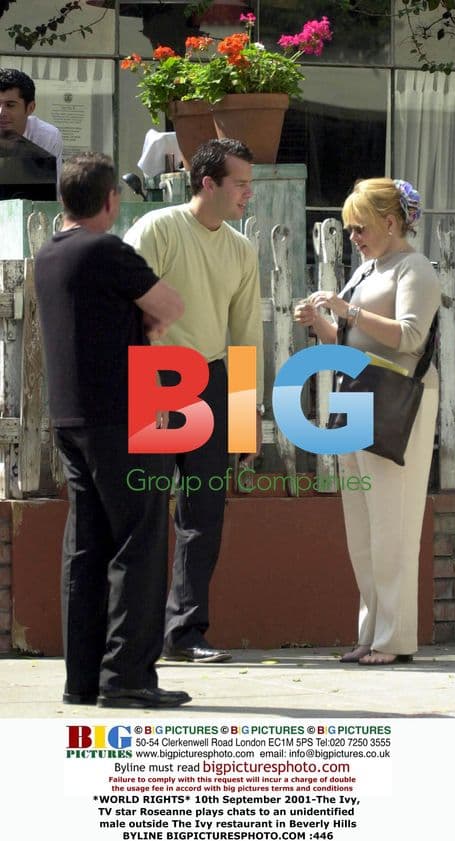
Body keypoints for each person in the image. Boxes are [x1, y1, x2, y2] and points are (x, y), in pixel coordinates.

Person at [34, 152, 191, 708]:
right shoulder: (107, 249)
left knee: (86, 545)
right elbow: (169, 303)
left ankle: (83, 680)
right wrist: (143, 319)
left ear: (62, 200)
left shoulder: (48, 254)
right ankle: (126, 677)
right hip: (126, 414)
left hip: (71, 416)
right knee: (140, 541)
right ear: (110, 200)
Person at [124, 139, 264, 664]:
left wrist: (248, 415)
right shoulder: (158, 229)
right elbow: (132, 305)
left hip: (211, 378)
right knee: (145, 508)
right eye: (241, 183)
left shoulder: (242, 249)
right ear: (208, 183)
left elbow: (246, 333)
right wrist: (150, 383)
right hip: (158, 373)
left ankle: (185, 634)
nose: (248, 193)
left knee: (203, 512)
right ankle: (135, 634)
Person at [295, 177, 440, 666]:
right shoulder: (366, 270)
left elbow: (411, 338)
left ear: (391, 222)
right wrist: (320, 320)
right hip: (358, 394)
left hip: (397, 399)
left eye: (360, 227)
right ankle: (370, 631)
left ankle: (394, 638)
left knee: (393, 520)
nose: (353, 236)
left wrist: (348, 308)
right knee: (361, 522)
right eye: (350, 228)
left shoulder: (414, 268)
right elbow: (348, 341)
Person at [0, 67, 63, 179]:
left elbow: (49, 191)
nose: (1, 113)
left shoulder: (46, 136)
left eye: (10, 105)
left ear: (30, 108)